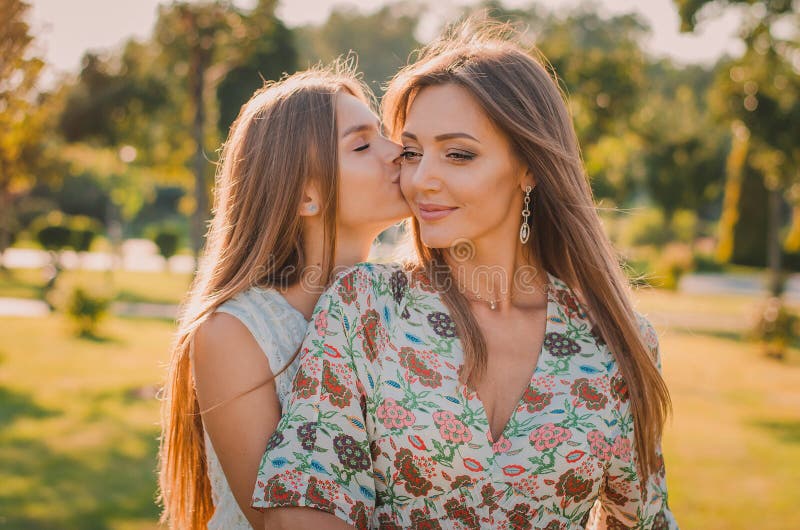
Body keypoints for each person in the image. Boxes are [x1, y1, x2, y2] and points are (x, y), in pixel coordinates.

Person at [252, 21, 678, 530]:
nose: (421, 178)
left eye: (458, 154)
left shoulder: (614, 342)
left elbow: (643, 521)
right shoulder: (363, 308)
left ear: (529, 167)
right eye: (411, 152)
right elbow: (303, 501)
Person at [157, 62, 410, 529]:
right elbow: (278, 519)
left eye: (386, 136)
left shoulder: (407, 305)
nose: (398, 151)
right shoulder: (234, 333)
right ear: (305, 196)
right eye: (362, 145)